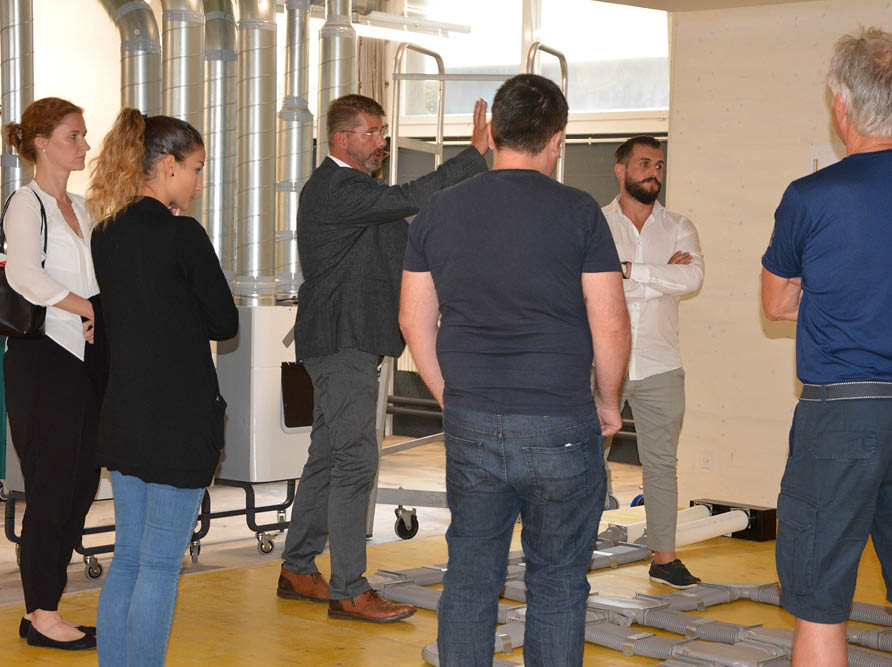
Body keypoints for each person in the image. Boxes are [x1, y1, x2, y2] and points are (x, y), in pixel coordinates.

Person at [400, 74, 630, 666]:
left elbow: (412, 321)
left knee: (470, 577)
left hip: (473, 418)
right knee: (557, 581)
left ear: (493, 132)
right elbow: (610, 325)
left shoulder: (438, 210)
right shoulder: (579, 212)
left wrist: (449, 395)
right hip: (560, 420)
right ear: (556, 140)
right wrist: (608, 403)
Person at [278, 93, 489, 623]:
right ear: (340, 138)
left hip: (347, 340)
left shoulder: (361, 195)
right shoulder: (338, 187)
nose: (381, 142)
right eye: (370, 132)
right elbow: (411, 196)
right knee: (356, 461)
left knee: (328, 456)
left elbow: (412, 232)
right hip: (341, 340)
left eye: (382, 131)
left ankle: (297, 568)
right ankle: (349, 589)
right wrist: (473, 156)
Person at [87, 108, 238, 666]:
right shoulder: (182, 234)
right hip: (178, 420)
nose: (198, 183)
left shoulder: (106, 233)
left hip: (125, 413)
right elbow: (224, 321)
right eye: (196, 169)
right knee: (157, 564)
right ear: (168, 165)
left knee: (129, 558)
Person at [761, 28, 892, 667]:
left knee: (819, 599)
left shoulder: (811, 196)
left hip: (843, 411)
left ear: (841, 106)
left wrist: (834, 295)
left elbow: (776, 303)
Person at [2, 97, 99, 650]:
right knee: (51, 489)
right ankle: (42, 613)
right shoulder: (26, 202)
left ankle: (45, 606)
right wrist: (85, 308)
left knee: (81, 485)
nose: (84, 144)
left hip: (82, 360)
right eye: (73, 135)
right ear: (41, 143)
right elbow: (23, 275)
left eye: (84, 135)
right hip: (42, 360)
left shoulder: (81, 207)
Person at [602, 135, 704, 588]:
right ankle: (569, 553)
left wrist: (627, 270)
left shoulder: (679, 225)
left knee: (662, 465)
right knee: (584, 460)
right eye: (644, 164)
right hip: (602, 362)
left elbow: (693, 277)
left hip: (661, 364)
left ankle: (664, 561)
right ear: (620, 170)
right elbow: (585, 283)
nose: (654, 173)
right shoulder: (595, 223)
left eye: (659, 166)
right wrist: (662, 276)